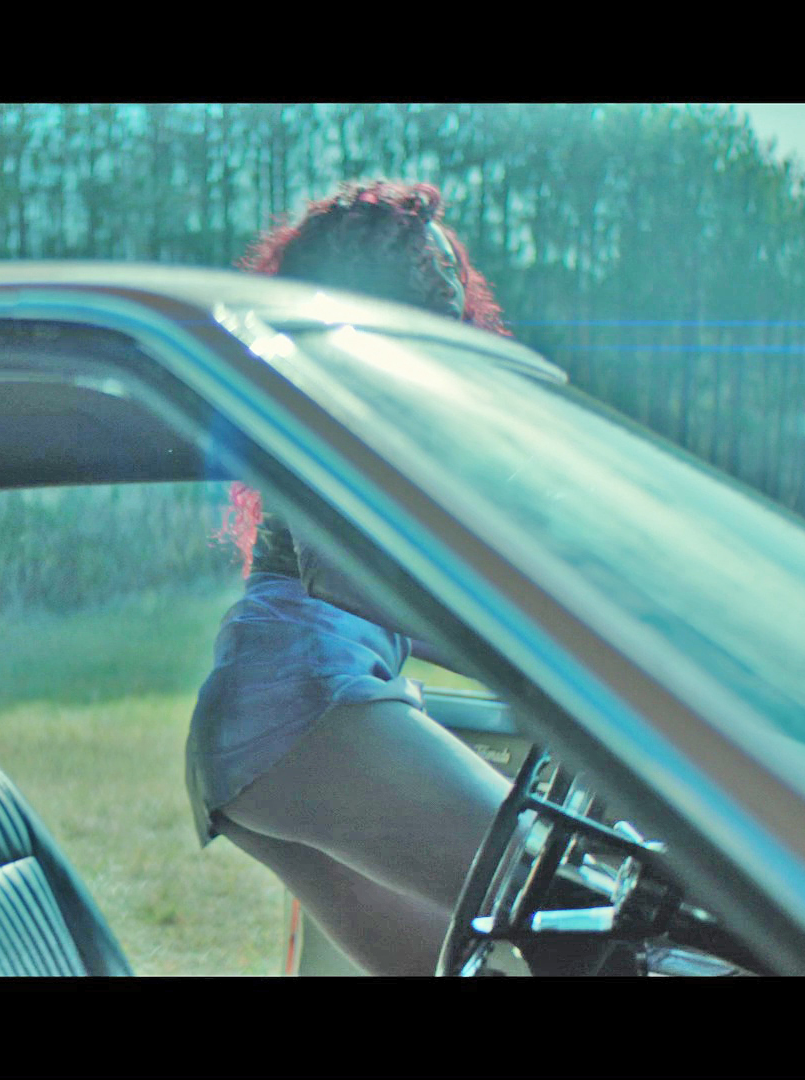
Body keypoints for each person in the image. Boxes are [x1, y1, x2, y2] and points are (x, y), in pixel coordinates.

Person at [186, 179, 514, 976]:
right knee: (560, 902)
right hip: (301, 699)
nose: (450, 283)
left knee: (462, 965)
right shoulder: (334, 389)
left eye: (451, 268)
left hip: (267, 722)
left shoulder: (384, 398)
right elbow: (344, 580)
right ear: (376, 285)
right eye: (426, 269)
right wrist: (539, 669)